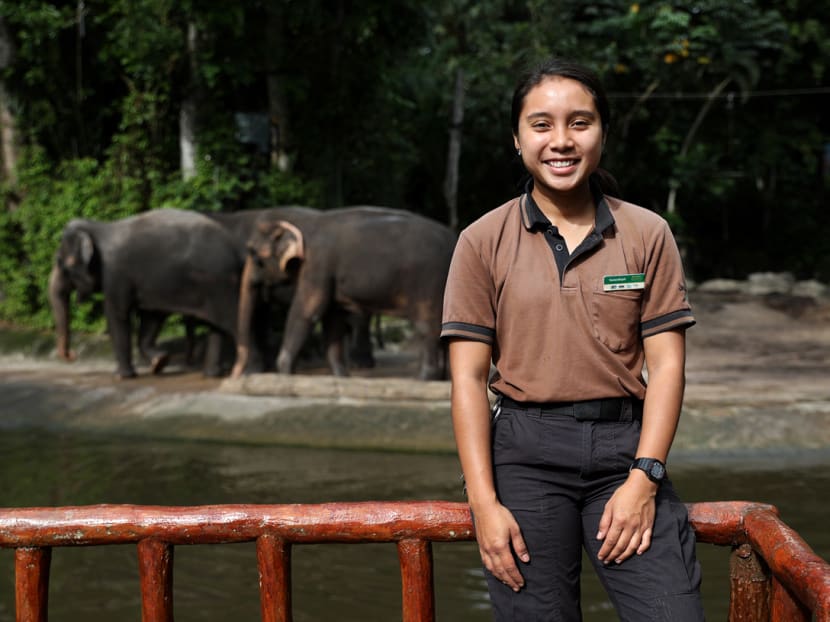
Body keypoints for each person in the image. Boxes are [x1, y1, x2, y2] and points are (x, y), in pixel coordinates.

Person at [441, 57, 705, 621]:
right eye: (541, 125)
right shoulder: (482, 240)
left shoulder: (645, 233)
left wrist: (645, 476)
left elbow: (668, 367)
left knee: (672, 612)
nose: (561, 141)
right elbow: (466, 378)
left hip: (624, 453)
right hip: (525, 455)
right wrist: (483, 504)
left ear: (602, 133)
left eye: (579, 123)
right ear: (517, 139)